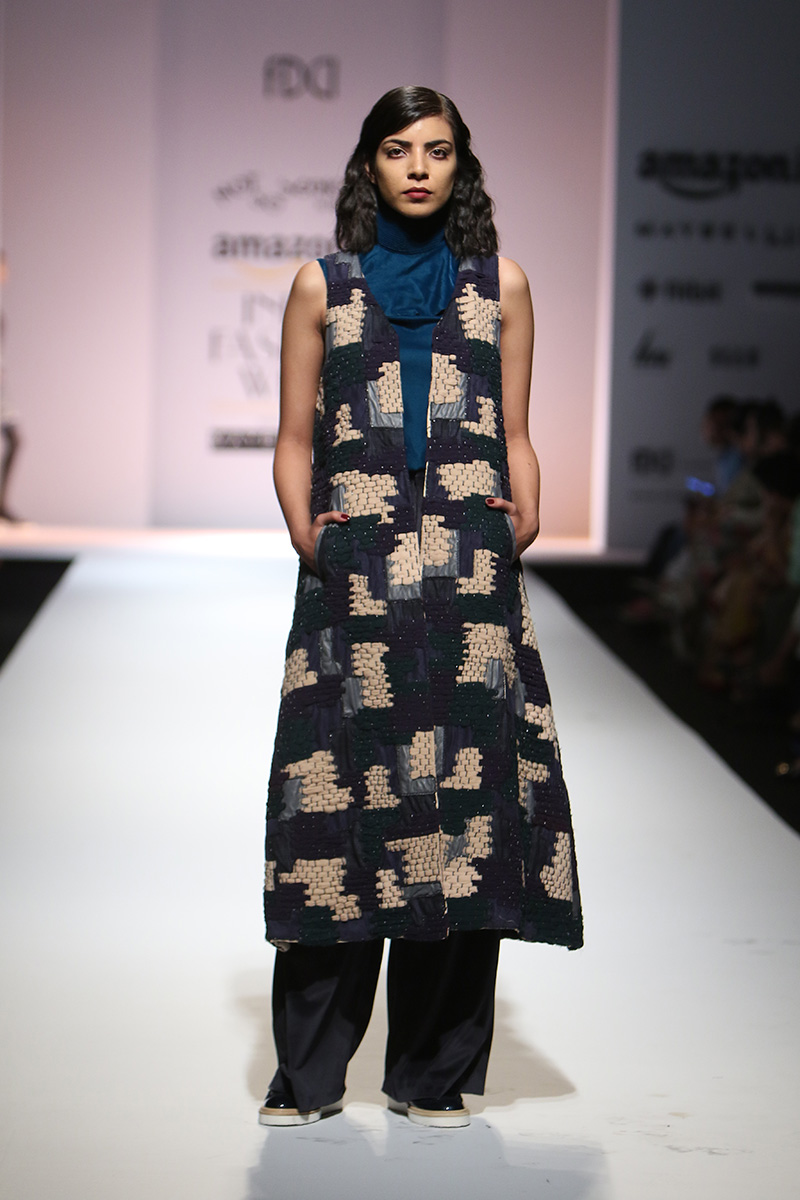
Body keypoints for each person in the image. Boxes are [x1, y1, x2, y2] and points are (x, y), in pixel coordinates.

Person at [261, 86, 582, 1130]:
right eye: (398, 149)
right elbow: (294, 438)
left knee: (463, 815)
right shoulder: (321, 284)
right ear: (369, 164)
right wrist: (310, 535)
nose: (416, 168)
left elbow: (515, 431)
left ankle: (431, 1074)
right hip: (351, 581)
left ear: (459, 166)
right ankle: (308, 1076)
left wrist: (523, 512)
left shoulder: (503, 284)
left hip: (468, 584)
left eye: (436, 151)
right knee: (334, 810)